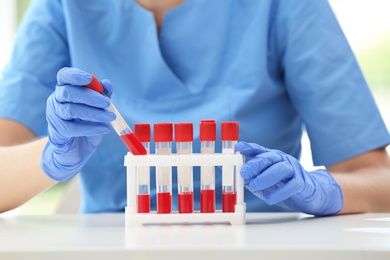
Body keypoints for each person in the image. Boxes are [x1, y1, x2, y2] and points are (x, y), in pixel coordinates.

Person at [0, 0, 389, 215]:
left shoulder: (285, 6)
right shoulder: (62, 8)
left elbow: (377, 180)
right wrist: (50, 156)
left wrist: (323, 192)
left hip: (264, 247)